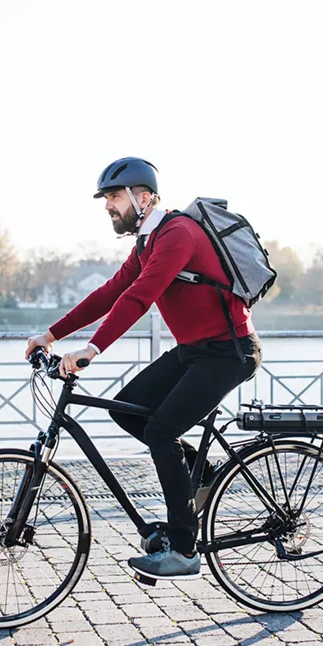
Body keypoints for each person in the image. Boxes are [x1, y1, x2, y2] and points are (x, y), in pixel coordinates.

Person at [24, 157, 262, 581]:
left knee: (159, 431)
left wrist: (92, 350)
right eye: (107, 199)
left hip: (229, 353)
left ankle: (185, 551)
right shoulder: (147, 242)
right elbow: (112, 293)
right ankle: (201, 472)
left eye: (114, 196)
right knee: (126, 408)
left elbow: (140, 298)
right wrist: (52, 335)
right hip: (195, 350)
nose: (108, 207)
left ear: (144, 197)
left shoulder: (177, 235)